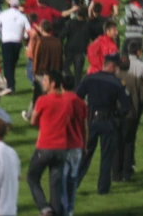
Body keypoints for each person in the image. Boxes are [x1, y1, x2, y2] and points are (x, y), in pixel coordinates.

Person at [76, 53, 130, 194]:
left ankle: (73, 184)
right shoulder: (117, 83)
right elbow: (126, 106)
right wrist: (117, 118)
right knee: (106, 156)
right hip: (108, 121)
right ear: (112, 67)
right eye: (117, 67)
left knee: (85, 154)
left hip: (91, 120)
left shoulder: (89, 78)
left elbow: (77, 97)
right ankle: (103, 188)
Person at [28, 70, 70, 215]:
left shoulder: (43, 100)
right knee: (55, 184)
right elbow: (68, 121)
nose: (43, 83)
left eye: (45, 80)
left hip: (45, 146)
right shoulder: (66, 101)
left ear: (53, 83)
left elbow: (33, 121)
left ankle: (44, 208)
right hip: (61, 147)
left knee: (32, 177)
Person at [113, 53, 143, 182]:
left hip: (115, 115)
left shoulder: (113, 79)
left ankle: (116, 173)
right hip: (131, 116)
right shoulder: (135, 79)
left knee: (117, 145)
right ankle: (127, 173)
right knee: (129, 144)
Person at [0, 0, 30, 92]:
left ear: (9, 5)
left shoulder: (4, 14)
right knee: (13, 62)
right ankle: (10, 83)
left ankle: (10, 85)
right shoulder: (22, 16)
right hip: (17, 41)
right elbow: (28, 30)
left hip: (6, 41)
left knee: (7, 63)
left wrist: (2, 32)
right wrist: (22, 35)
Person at [61, 74, 87, 216]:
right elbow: (84, 126)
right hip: (77, 144)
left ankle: (64, 209)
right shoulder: (81, 102)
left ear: (61, 85)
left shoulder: (60, 101)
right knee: (73, 178)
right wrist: (85, 143)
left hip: (63, 145)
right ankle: (70, 209)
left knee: (62, 179)